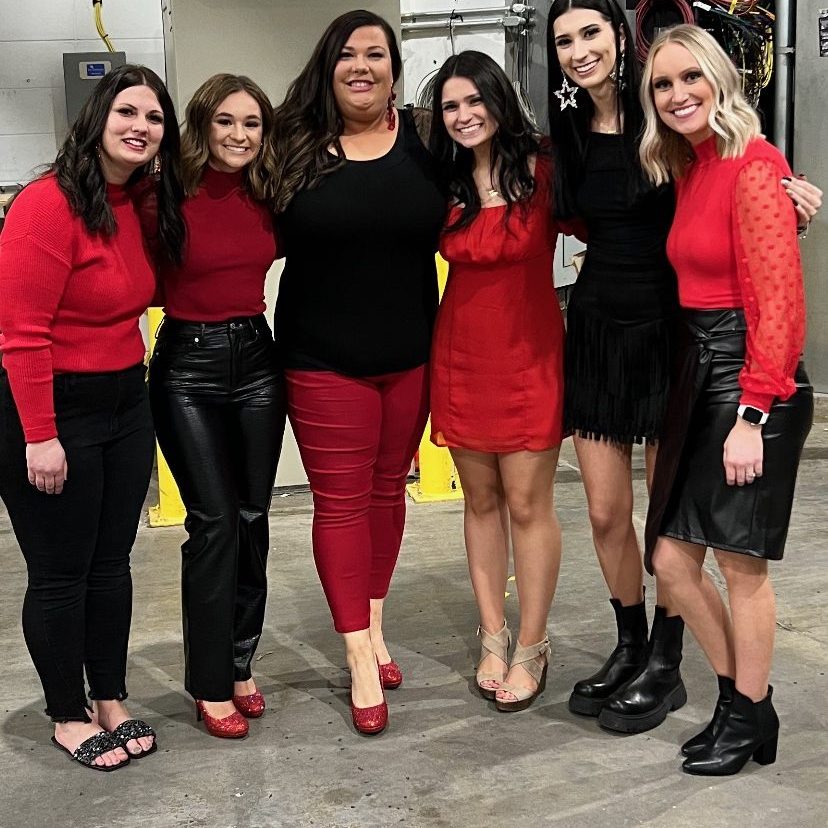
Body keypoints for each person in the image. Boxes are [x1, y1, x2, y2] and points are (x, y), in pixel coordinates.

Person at [546, 0, 821, 734]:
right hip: (601, 331)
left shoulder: (670, 124)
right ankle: (632, 646)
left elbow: (743, 186)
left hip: (678, 339)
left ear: (620, 36)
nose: (579, 50)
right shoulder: (575, 133)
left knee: (675, 524)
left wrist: (787, 198)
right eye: (564, 40)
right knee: (608, 513)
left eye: (591, 32)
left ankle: (668, 665)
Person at [639, 23, 813, 776]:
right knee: (672, 562)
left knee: (741, 568)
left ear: (721, 79)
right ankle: (747, 706)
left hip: (749, 384)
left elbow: (781, 306)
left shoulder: (754, 164)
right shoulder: (691, 165)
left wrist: (753, 415)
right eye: (663, 84)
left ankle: (744, 714)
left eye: (691, 77)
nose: (678, 94)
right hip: (700, 371)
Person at [0, 65, 184, 770]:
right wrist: (40, 436)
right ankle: (67, 713)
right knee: (60, 571)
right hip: (52, 407)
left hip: (125, 399)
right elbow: (21, 334)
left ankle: (108, 697)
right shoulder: (46, 205)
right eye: (126, 111)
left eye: (155, 117)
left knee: (111, 565)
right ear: (97, 118)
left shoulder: (135, 203)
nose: (141, 126)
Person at [271, 10, 446, 735]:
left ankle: (372, 624)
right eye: (347, 54)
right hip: (322, 360)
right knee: (341, 503)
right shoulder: (290, 143)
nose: (361, 66)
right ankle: (358, 657)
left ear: (394, 70)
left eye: (376, 53)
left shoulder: (427, 140)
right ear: (328, 66)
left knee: (388, 490)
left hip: (411, 355)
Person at [428, 51, 579, 711]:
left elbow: (622, 209)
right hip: (460, 356)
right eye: (450, 106)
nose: (463, 115)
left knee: (528, 504)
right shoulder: (442, 180)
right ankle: (493, 636)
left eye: (473, 100)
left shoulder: (545, 170)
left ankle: (533, 642)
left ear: (498, 100)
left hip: (530, 356)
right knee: (481, 500)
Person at [148, 74, 286, 739]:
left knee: (254, 518)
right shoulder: (164, 193)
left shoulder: (269, 192)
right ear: (202, 125)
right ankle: (208, 683)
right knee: (214, 523)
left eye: (251, 123)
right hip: (187, 368)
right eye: (225, 121)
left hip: (257, 359)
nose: (239, 134)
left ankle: (238, 663)